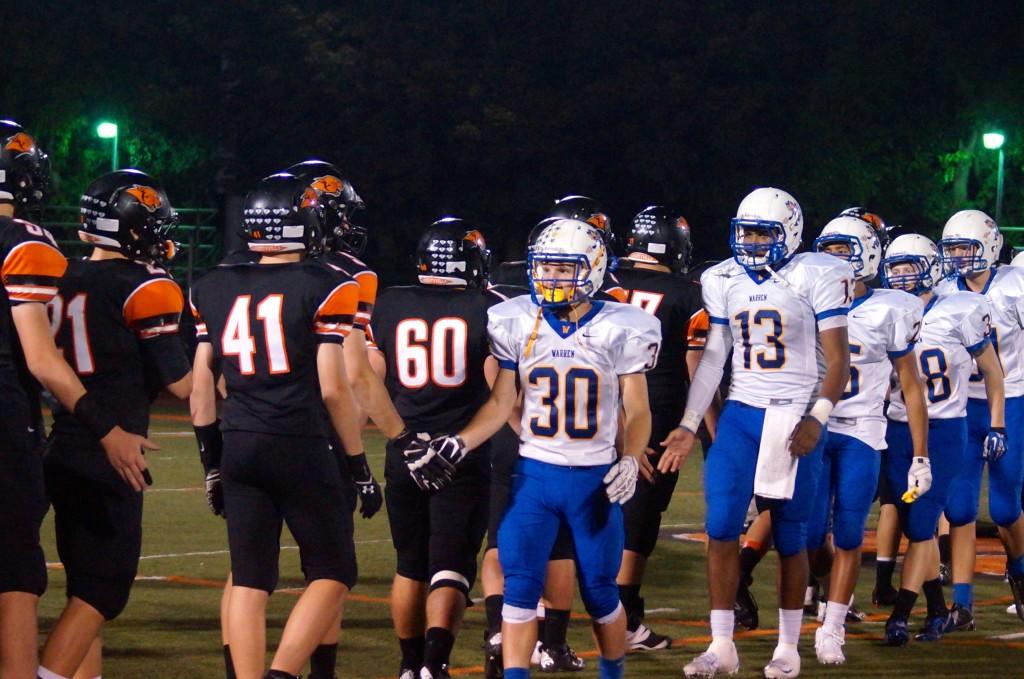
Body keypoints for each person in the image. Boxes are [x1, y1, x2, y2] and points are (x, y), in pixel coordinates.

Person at [406, 217, 661, 679]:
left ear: (595, 269)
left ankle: (613, 672)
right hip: (535, 476)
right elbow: (503, 400)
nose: (551, 278)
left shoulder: (623, 326)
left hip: (594, 479)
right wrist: (460, 443)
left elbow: (638, 410)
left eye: (564, 268)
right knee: (520, 588)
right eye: (545, 267)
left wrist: (629, 455)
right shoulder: (516, 319)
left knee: (602, 592)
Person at [660, 187, 854, 678]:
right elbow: (714, 359)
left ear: (788, 233)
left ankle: (788, 647)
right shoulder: (723, 277)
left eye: (761, 232)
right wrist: (688, 424)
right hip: (743, 414)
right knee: (721, 525)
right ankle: (721, 643)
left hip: (794, 412)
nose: (749, 240)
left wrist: (818, 415)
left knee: (793, 535)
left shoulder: (818, 274)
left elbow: (839, 361)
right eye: (744, 230)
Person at [190, 173, 375, 679]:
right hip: (299, 440)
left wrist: (211, 461)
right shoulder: (327, 284)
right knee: (334, 572)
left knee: (250, 579)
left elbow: (202, 384)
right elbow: (335, 388)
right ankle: (283, 674)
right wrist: (358, 463)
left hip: (238, 441)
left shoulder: (212, 284)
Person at [0, 121, 154, 679]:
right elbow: (42, 360)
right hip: (7, 426)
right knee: (16, 575)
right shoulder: (25, 242)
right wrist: (106, 428)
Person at [38, 170, 193, 679]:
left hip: (62, 440)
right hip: (111, 449)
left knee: (85, 587)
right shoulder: (145, 285)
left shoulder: (61, 274)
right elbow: (182, 384)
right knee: (104, 589)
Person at [371, 217, 504, 679]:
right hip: (459, 453)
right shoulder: (488, 307)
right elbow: (500, 386)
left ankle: (409, 667)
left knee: (409, 566)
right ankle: (434, 663)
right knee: (452, 564)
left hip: (404, 452)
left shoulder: (388, 304)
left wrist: (401, 437)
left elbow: (369, 378)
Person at [807, 217, 928, 664]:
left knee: (851, 532)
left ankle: (832, 625)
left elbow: (911, 385)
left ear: (869, 256)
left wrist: (920, 454)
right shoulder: (806, 300)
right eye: (830, 251)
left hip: (861, 431)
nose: (835, 261)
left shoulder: (891, 308)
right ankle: (827, 594)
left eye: (845, 252)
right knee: (810, 536)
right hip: (814, 429)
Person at [878, 234, 1003, 645]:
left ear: (930, 266)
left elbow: (992, 371)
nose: (900, 274)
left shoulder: (959, 310)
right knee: (914, 521)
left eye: (909, 265)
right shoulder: (883, 310)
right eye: (894, 266)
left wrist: (998, 422)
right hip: (896, 428)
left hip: (945, 429)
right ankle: (935, 608)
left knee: (922, 522)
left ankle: (899, 615)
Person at [613, 206, 706, 651]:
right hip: (653, 418)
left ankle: (537, 624)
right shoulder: (687, 295)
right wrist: (706, 427)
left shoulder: (603, 283)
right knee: (639, 521)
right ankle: (626, 618)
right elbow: (695, 368)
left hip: (592, 417)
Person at [935, 210, 1024, 629]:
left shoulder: (1014, 286)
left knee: (1006, 507)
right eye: (951, 248)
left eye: (964, 248)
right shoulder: (941, 289)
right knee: (959, 507)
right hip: (960, 403)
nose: (957, 258)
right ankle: (963, 605)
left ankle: (1020, 574)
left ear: (988, 246)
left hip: (1012, 399)